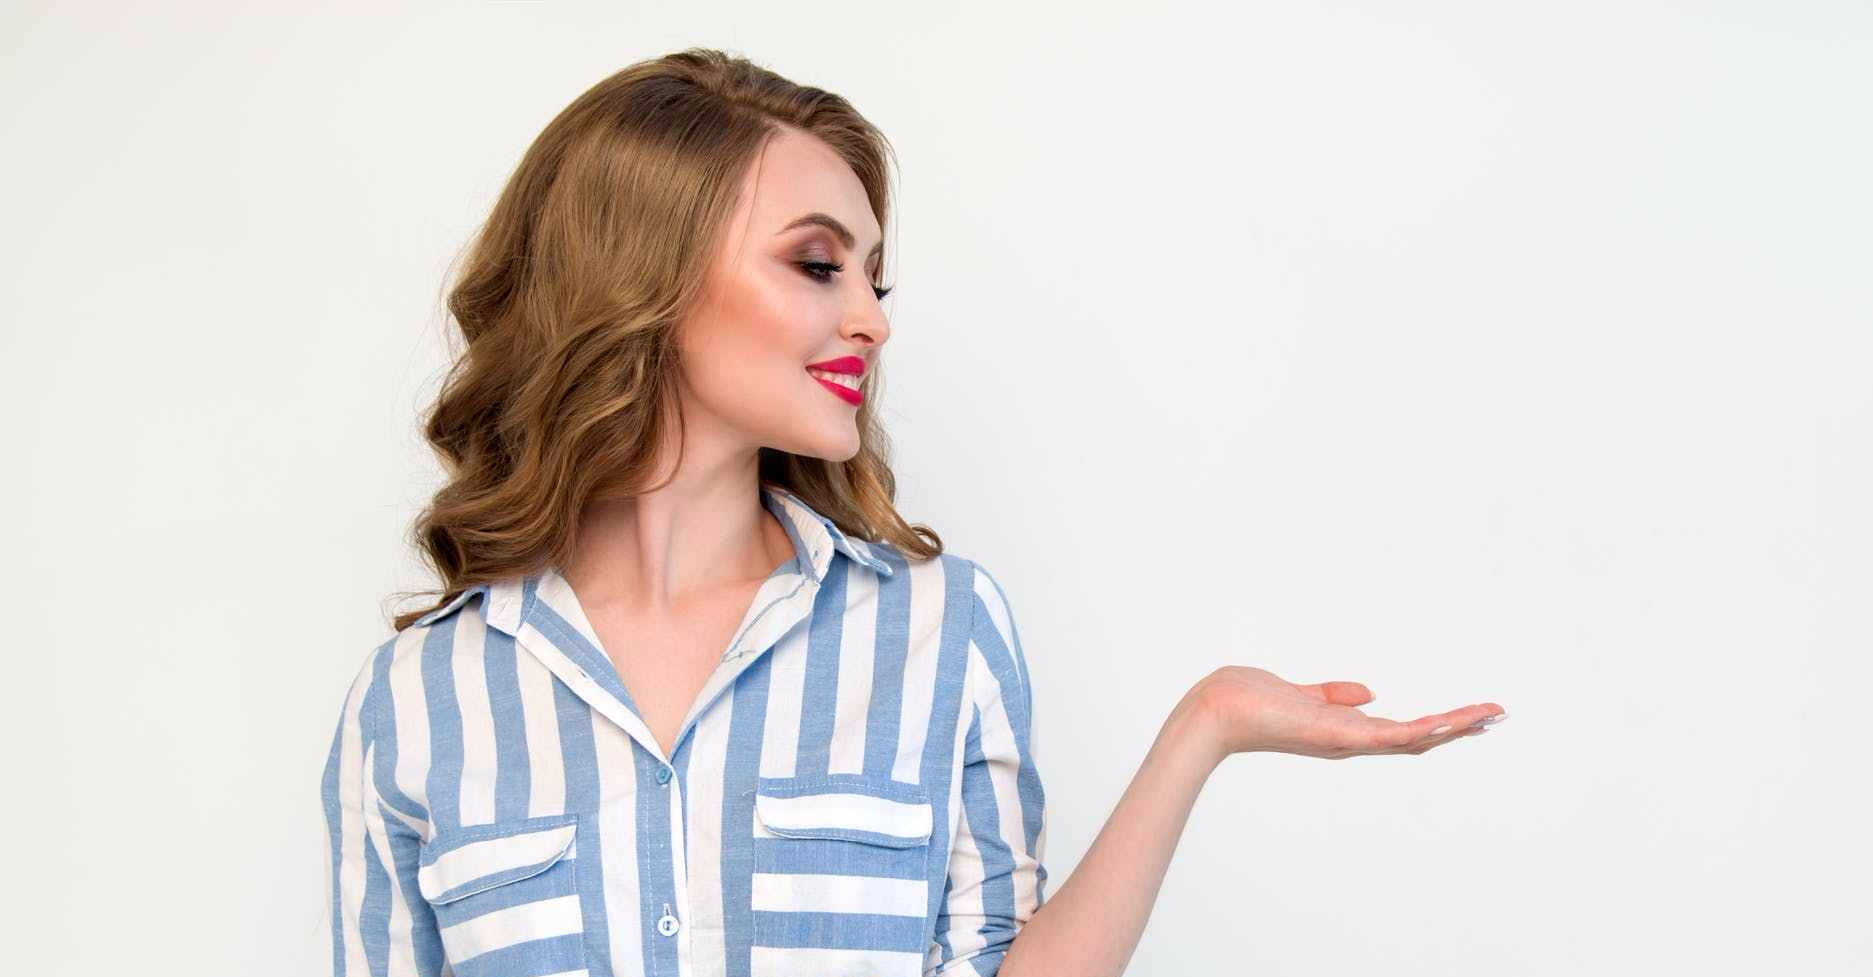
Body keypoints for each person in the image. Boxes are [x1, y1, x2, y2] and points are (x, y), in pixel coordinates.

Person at [320, 47, 1506, 977]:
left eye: (872, 277)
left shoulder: (939, 629)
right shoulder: (417, 701)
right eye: (816, 263)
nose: (873, 320)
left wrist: (1202, 726)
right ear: (644, 278)